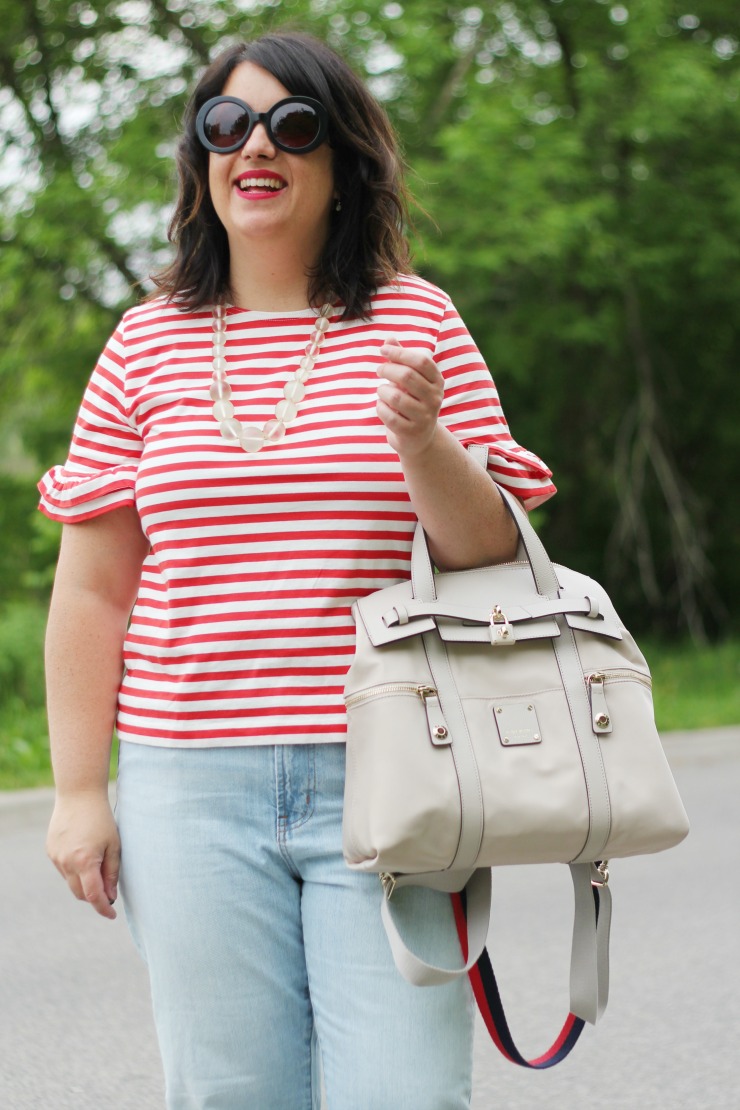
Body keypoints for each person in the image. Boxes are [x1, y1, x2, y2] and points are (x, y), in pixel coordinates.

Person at [40, 31, 556, 1110]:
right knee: (230, 1094)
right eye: (226, 125)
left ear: (340, 163)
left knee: (405, 1095)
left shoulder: (417, 320)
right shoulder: (143, 344)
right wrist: (81, 791)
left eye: (291, 124)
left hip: (397, 772)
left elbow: (493, 554)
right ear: (200, 159)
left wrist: (425, 445)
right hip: (188, 787)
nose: (255, 146)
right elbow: (92, 589)